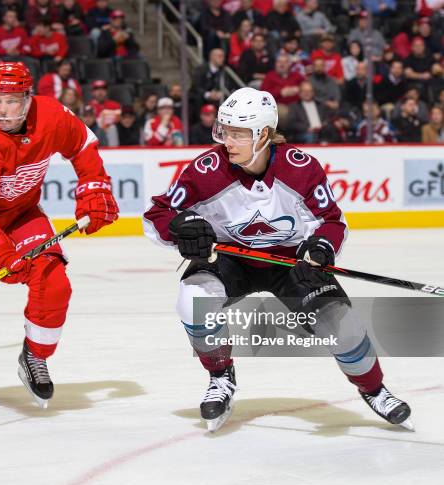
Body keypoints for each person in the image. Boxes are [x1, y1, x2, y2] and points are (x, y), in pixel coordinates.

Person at [142, 86, 413, 433]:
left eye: (239, 133)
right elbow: (157, 215)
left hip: (290, 263)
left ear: (265, 134)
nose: (228, 140)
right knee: (192, 301)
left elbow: (332, 221)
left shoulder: (300, 169)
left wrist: (320, 248)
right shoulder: (205, 170)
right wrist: (181, 231)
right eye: (224, 130)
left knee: (344, 329)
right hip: (229, 257)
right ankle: (221, 376)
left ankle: (375, 390)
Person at [0, 62, 119, 406]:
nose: (2, 109)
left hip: (21, 215)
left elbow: (83, 143)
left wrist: (94, 187)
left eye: (12, 101)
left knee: (54, 281)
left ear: (29, 100)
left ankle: (35, 356)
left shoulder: (51, 115)